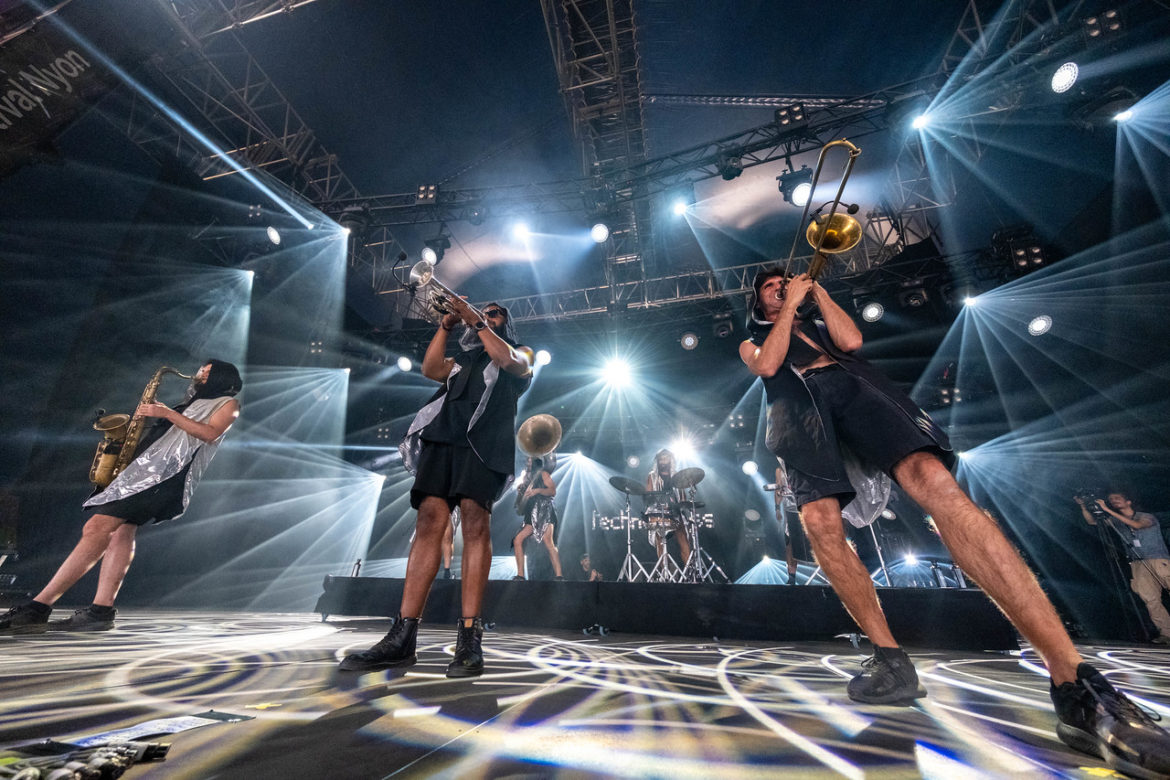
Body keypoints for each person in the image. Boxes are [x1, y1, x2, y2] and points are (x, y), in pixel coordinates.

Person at [740, 266, 1170, 775]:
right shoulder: (752, 338)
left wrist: (818, 292)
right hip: (797, 415)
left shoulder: (816, 316)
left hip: (857, 388)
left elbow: (852, 339)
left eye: (785, 282)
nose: (781, 287)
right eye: (771, 287)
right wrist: (787, 307)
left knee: (935, 480)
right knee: (821, 526)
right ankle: (890, 658)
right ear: (759, 303)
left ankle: (1073, 681)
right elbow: (768, 366)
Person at [339, 298, 530, 678]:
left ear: (505, 325)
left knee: (475, 524)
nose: (485, 316)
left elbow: (510, 362)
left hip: (482, 444)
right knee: (428, 521)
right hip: (443, 439)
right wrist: (445, 326)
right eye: (483, 312)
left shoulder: (517, 353)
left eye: (495, 314)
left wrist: (477, 322)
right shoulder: (461, 363)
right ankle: (402, 637)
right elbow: (429, 369)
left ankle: (470, 639)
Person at [0, 360, 242, 634]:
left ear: (223, 376)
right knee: (121, 532)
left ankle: (38, 607)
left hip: (166, 477)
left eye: (208, 371)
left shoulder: (228, 403)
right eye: (201, 369)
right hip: (144, 473)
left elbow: (210, 434)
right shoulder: (189, 403)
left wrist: (166, 413)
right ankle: (101, 611)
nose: (200, 373)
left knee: (96, 527)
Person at [1077, 491, 1170, 644]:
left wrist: (1106, 510)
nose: (1113, 501)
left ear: (1128, 502)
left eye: (1117, 498)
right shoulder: (1116, 520)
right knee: (1151, 600)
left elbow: (1138, 525)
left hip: (1159, 560)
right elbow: (1092, 522)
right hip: (1137, 563)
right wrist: (1083, 506)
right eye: (1111, 500)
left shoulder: (1146, 516)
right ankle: (1167, 633)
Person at [510, 455, 563, 580]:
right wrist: (521, 494)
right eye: (527, 461)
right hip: (531, 514)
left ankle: (559, 576)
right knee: (517, 540)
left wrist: (538, 490)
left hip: (544, 511)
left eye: (530, 461)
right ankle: (520, 575)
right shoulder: (526, 478)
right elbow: (520, 506)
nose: (527, 463)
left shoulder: (543, 474)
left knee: (548, 542)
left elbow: (552, 491)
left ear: (535, 463)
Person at [644, 449, 691, 573]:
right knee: (660, 540)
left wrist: (681, 506)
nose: (664, 461)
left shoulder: (676, 475)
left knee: (683, 539)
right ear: (658, 460)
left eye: (666, 458)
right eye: (661, 458)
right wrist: (657, 503)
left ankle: (690, 571)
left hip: (675, 511)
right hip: (658, 511)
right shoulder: (652, 476)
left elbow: (683, 497)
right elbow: (648, 495)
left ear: (671, 459)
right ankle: (664, 571)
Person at [774, 463, 807, 585]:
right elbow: (778, 489)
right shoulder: (780, 470)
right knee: (790, 543)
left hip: (807, 506)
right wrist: (777, 508)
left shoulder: (802, 464)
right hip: (791, 509)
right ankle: (792, 576)